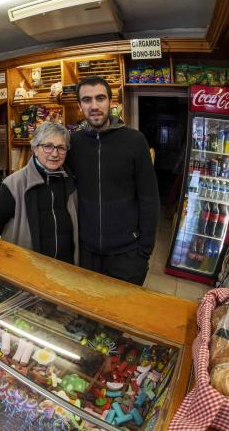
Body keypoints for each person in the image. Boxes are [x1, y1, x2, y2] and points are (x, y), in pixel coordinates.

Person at [65, 75, 159, 285]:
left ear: (111, 102)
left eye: (100, 98)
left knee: (121, 314)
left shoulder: (135, 141)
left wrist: (144, 252)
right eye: (87, 100)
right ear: (80, 106)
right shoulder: (73, 143)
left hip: (127, 253)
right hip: (86, 252)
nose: (94, 105)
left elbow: (149, 198)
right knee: (88, 311)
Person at [0, 123, 78, 264]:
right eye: (47, 146)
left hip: (66, 270)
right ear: (35, 148)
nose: (55, 154)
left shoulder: (71, 182)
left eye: (61, 147)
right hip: (28, 272)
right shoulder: (14, 184)